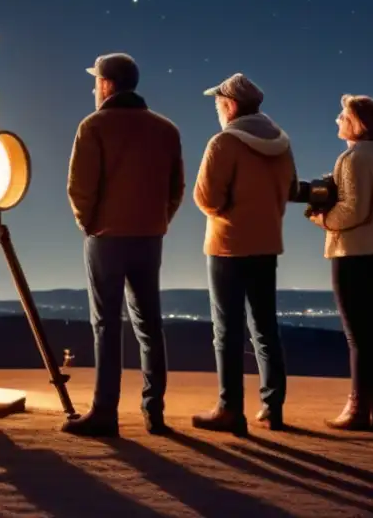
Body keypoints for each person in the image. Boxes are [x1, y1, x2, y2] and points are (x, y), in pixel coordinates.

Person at [64, 53, 184, 438]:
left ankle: (104, 411)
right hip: (149, 237)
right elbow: (175, 187)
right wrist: (159, 220)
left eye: (96, 80)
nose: (93, 87)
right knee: (150, 324)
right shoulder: (166, 129)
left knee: (106, 326)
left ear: (106, 84)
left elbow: (79, 188)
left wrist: (91, 225)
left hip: (107, 238)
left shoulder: (94, 126)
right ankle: (155, 410)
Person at [191, 73, 297, 435]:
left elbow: (206, 198)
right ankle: (272, 408)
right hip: (267, 244)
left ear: (231, 105)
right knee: (266, 329)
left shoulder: (224, 142)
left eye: (219, 105)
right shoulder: (282, 143)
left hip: (228, 246)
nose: (217, 112)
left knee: (228, 331)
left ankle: (229, 408)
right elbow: (291, 188)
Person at [307, 95, 373, 431]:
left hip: (353, 253)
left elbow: (353, 211)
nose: (337, 119)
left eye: (343, 115)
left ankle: (358, 410)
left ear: (357, 123)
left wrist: (322, 218)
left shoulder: (353, 158)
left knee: (357, 335)